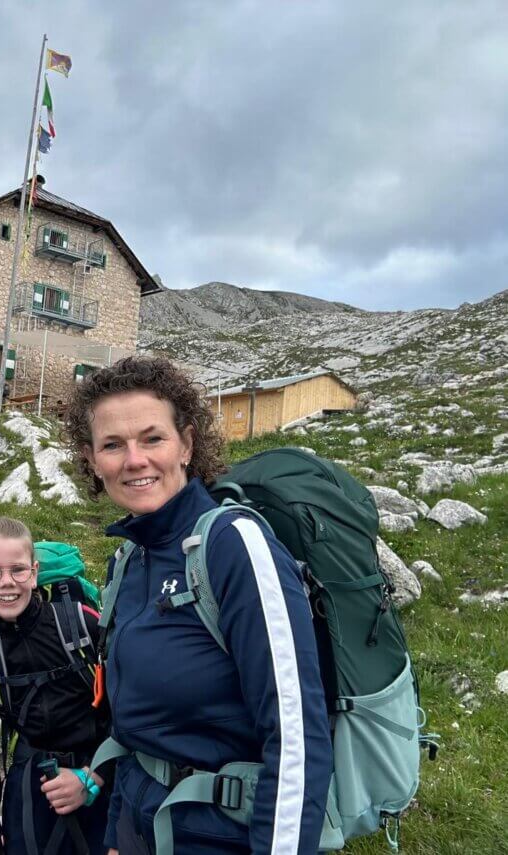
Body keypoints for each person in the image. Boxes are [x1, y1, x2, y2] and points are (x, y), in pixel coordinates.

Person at [63, 356, 332, 855]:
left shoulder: (234, 547)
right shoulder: (129, 560)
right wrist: (119, 831)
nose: (134, 460)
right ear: (92, 460)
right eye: (112, 445)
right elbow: (135, 729)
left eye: (152, 438)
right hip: (141, 823)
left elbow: (297, 739)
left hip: (220, 835)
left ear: (186, 444)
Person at [0, 516, 111, 854]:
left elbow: (130, 714)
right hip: (32, 785)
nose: (6, 583)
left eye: (18, 570)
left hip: (102, 773)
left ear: (35, 571)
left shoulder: (85, 627)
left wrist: (95, 776)